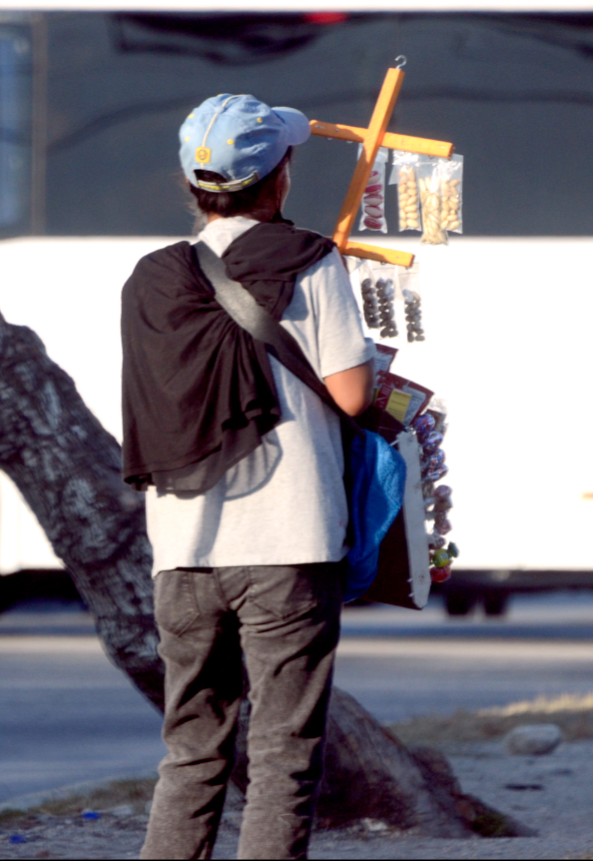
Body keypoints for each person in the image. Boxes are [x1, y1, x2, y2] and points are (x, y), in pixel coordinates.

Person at [120, 93, 375, 860]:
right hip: (288, 543)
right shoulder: (310, 260)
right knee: (282, 753)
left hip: (183, 551)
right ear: (278, 178)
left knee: (192, 750)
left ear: (193, 186)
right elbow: (352, 395)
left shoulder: (148, 279)